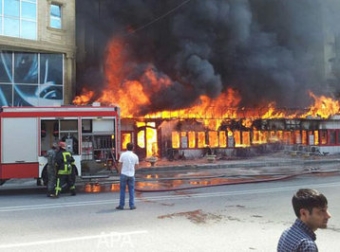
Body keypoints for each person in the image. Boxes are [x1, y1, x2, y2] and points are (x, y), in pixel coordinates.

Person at [116, 143, 139, 210]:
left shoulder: (123, 155)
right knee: (131, 190)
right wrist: (133, 170)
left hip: (124, 174)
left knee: (122, 190)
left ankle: (121, 205)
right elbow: (137, 166)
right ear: (133, 148)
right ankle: (132, 206)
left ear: (126, 147)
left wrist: (119, 171)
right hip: (131, 175)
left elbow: (119, 164)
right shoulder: (135, 156)